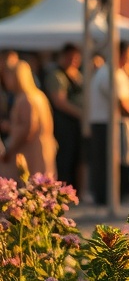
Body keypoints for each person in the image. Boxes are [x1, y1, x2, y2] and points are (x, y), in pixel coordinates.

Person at [88, 42, 129, 208]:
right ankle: (109, 199)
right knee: (112, 164)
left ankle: (109, 198)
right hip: (107, 125)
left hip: (105, 123)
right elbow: (123, 105)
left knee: (109, 164)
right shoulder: (112, 74)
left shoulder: (112, 73)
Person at [0, 58, 57, 178]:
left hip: (30, 154)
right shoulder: (39, 96)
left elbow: (28, 127)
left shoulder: (25, 99)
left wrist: (10, 149)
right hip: (44, 149)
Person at [43, 43, 86, 191]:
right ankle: (63, 191)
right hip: (63, 124)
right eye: (71, 58)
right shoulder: (57, 75)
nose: (74, 61)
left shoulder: (77, 74)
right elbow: (59, 101)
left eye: (76, 58)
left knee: (77, 158)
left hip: (75, 124)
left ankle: (74, 190)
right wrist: (80, 114)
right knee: (65, 159)